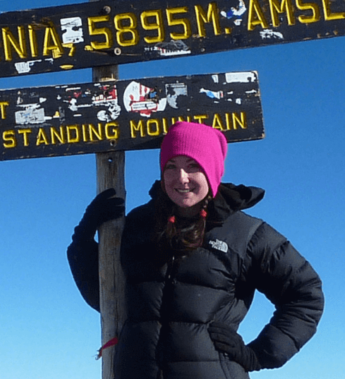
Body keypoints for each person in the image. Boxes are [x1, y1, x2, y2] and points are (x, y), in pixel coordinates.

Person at [67, 121, 324, 379]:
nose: (181, 178)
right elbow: (105, 297)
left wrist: (259, 354)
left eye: (193, 166)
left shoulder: (245, 234)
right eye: (171, 166)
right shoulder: (138, 225)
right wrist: (84, 239)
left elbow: (305, 294)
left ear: (211, 171)